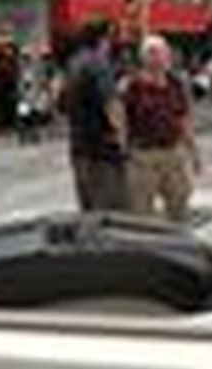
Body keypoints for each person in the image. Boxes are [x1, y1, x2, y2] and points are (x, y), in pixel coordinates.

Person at [122, 35, 199, 221]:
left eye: (163, 54)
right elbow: (121, 119)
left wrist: (194, 152)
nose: (160, 59)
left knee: (180, 204)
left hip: (173, 152)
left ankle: (178, 244)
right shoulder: (133, 86)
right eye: (153, 54)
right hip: (144, 155)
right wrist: (124, 150)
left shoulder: (176, 83)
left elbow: (185, 118)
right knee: (141, 210)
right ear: (145, 58)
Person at [59, 22, 128, 211]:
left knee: (89, 209)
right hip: (103, 151)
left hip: (80, 147)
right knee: (112, 212)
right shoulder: (99, 64)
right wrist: (123, 140)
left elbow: (61, 103)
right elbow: (111, 104)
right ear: (102, 39)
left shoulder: (73, 64)